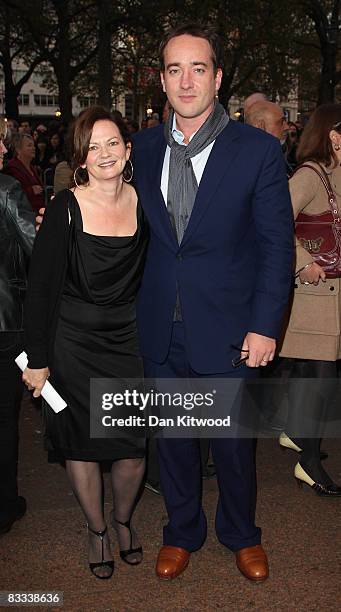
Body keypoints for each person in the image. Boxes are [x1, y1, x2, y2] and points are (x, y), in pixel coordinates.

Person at [132, 24, 293, 581]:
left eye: (198, 67)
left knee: (231, 447)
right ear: (162, 80)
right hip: (162, 325)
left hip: (229, 328)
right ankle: (181, 532)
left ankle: (241, 534)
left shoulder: (258, 150)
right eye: (174, 69)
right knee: (174, 443)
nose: (186, 79)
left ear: (217, 77)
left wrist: (265, 325)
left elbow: (277, 247)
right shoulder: (146, 146)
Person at [22, 107, 149, 578]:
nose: (104, 153)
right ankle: (97, 529)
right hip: (72, 343)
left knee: (133, 447)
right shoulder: (63, 208)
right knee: (81, 445)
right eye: (93, 146)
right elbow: (40, 290)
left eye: (112, 143)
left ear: (128, 149)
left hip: (128, 339)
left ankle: (123, 519)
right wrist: (37, 360)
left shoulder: (144, 201)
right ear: (80, 157)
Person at [279, 103, 341, 496]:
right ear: (334, 136)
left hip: (330, 295)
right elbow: (274, 221)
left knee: (312, 377)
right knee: (322, 381)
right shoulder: (310, 175)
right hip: (314, 294)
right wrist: (302, 262)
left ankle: (298, 435)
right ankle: (309, 462)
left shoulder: (334, 174)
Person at [0, 117, 36, 535]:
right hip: (5, 320)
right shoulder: (6, 190)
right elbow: (33, 248)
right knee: (3, 417)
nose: (5, 150)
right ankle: (4, 503)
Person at [5, 133, 44, 213]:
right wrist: (31, 190)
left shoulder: (32, 168)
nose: (34, 148)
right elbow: (11, 194)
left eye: (33, 145)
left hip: (36, 212)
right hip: (23, 215)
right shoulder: (12, 168)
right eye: (29, 145)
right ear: (18, 150)